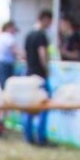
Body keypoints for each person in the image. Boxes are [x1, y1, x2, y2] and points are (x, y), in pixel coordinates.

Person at [23, 10, 52, 146]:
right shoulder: (41, 35)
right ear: (45, 19)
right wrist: (47, 69)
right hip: (39, 75)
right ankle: (41, 136)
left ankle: (28, 135)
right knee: (45, 105)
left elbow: (25, 55)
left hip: (29, 72)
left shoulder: (29, 35)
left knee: (29, 106)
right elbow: (43, 54)